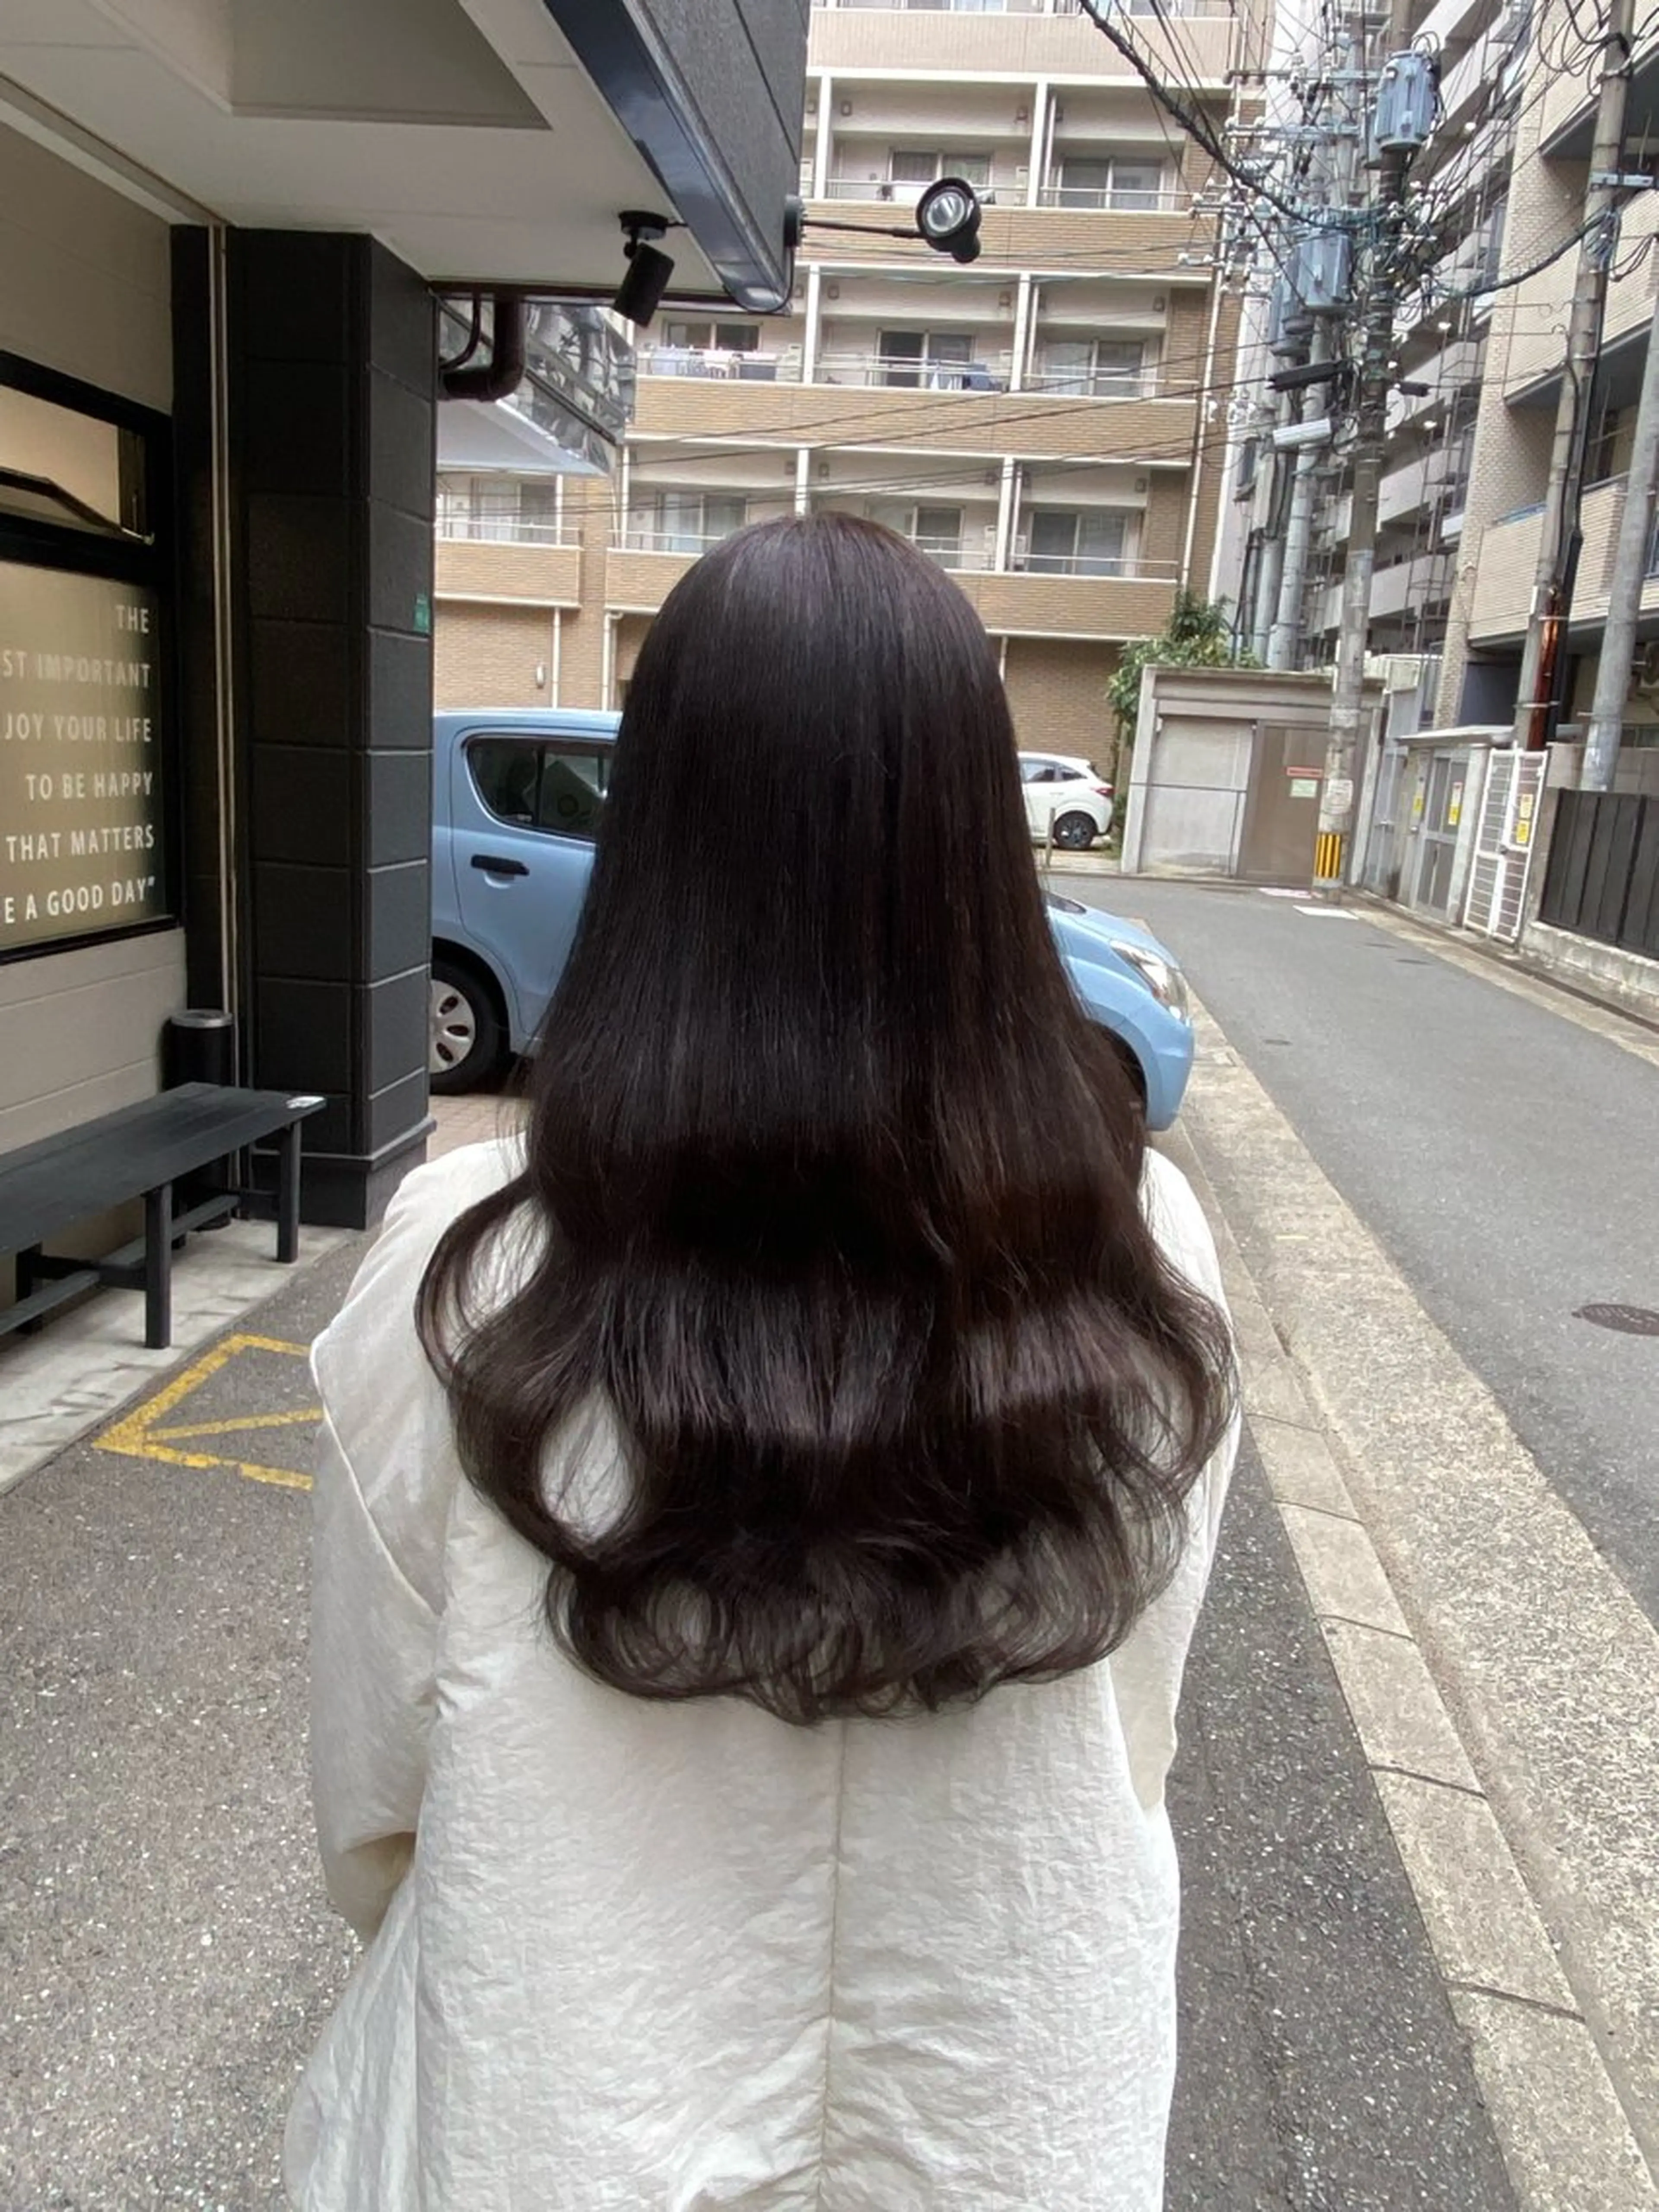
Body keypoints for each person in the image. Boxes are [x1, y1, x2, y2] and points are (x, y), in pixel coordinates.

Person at [286, 515, 1238, 2212]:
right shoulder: (1141, 1247)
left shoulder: (465, 1268)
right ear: (979, 848)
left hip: (564, 2116)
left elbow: (377, 1784)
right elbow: (1135, 1717)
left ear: (656, 828)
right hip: (1001, 2117)